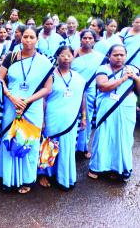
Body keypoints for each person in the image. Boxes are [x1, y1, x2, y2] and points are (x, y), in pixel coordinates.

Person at [0, 26, 53, 194]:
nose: (28, 40)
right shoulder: (11, 57)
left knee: (29, 141)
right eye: (25, 36)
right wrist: (12, 97)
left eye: (31, 37)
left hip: (32, 107)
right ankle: (6, 177)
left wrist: (27, 100)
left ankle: (27, 179)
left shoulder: (45, 61)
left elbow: (47, 88)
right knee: (9, 138)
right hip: (11, 105)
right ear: (20, 38)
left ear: (37, 39)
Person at [37, 46, 86, 190]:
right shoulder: (49, 75)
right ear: (57, 56)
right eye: (62, 55)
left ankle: (64, 176)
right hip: (52, 117)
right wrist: (42, 119)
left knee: (66, 147)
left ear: (73, 57)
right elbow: (43, 99)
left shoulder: (78, 78)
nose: (66, 58)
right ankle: (44, 174)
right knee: (49, 146)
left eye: (69, 55)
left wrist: (83, 116)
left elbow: (82, 97)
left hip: (70, 119)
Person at [88, 44, 140, 181]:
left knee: (123, 138)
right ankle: (98, 167)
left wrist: (136, 78)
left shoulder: (133, 70)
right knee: (103, 136)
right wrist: (123, 78)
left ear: (126, 56)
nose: (119, 57)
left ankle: (120, 168)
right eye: (115, 54)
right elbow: (103, 87)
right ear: (109, 56)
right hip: (107, 107)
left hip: (126, 108)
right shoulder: (103, 69)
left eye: (122, 54)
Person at [71, 29, 106, 159]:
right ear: (81, 39)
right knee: (73, 115)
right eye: (85, 38)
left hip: (89, 89)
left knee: (87, 116)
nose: (87, 40)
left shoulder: (99, 57)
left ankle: (83, 147)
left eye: (90, 38)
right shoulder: (73, 53)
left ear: (94, 40)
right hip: (73, 88)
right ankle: (72, 146)